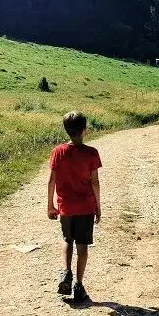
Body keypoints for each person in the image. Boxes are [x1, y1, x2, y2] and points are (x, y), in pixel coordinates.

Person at [47, 111, 102, 303]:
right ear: (85, 131)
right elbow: (95, 182)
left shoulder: (58, 151)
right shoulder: (91, 153)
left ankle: (66, 273)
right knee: (83, 246)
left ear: (66, 130)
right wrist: (99, 206)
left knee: (67, 240)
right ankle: (79, 285)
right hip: (86, 207)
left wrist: (50, 205)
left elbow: (52, 179)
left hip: (66, 207)